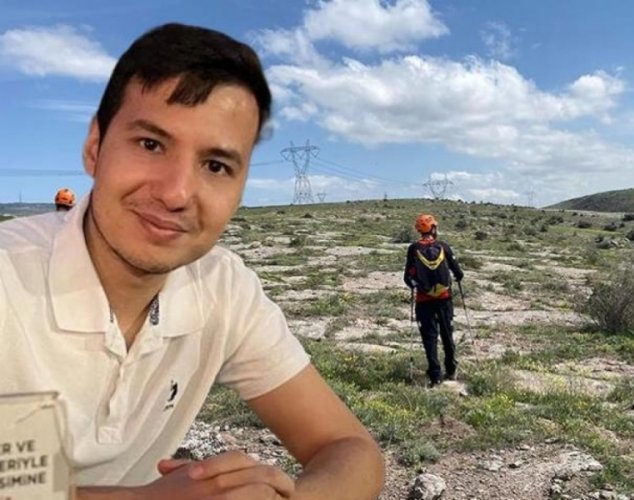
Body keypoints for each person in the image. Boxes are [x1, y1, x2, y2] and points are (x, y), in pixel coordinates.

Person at [0, 23, 384, 499]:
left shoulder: (221, 287)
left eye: (216, 166)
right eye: (151, 144)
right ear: (95, 147)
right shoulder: (8, 278)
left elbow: (350, 448)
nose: (176, 193)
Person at [403, 214, 464, 387]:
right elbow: (459, 274)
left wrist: (418, 285)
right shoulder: (444, 247)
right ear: (433, 228)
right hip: (444, 299)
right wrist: (455, 277)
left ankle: (435, 376)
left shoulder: (413, 248)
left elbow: (407, 278)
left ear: (419, 230)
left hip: (424, 301)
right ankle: (451, 370)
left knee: (429, 338)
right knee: (447, 335)